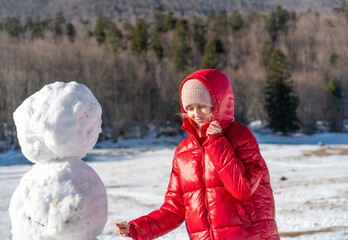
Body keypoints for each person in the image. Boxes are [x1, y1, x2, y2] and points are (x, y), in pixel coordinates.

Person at [115, 69, 280, 239]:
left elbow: (243, 189)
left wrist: (217, 143)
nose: (196, 114)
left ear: (218, 103)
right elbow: (173, 210)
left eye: (201, 106)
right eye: (190, 108)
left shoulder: (240, 136)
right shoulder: (183, 152)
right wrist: (137, 227)